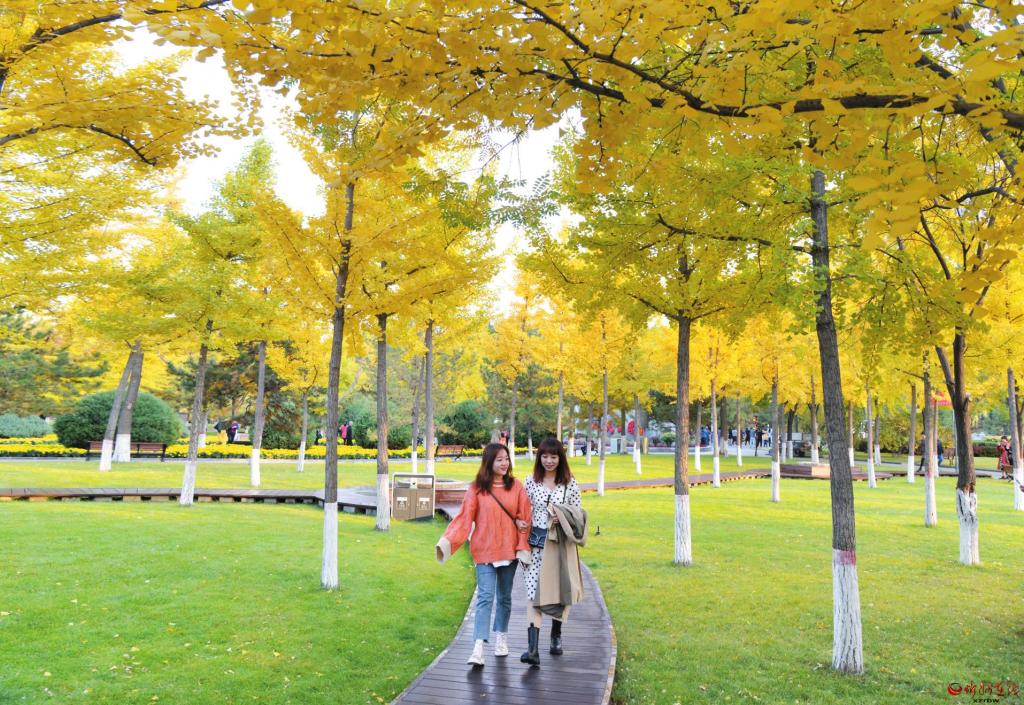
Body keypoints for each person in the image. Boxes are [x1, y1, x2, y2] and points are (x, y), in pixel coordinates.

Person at [435, 443, 531, 667]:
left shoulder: (516, 486)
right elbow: (464, 518)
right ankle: (478, 647)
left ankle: (501, 637)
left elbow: (525, 517)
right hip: (484, 550)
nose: (505, 463)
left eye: (506, 458)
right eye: (499, 459)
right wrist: (447, 542)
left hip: (508, 549)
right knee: (485, 597)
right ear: (489, 462)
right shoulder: (476, 489)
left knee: (504, 597)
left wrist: (522, 541)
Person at [521, 437, 584, 666]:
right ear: (539, 458)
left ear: (560, 458)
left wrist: (562, 516)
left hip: (560, 546)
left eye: (553, 456)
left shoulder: (570, 484)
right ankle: (532, 650)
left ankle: (556, 635)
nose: (549, 461)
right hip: (535, 544)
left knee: (559, 591)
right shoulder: (530, 482)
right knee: (533, 593)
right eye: (545, 456)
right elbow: (522, 511)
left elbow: (578, 513)